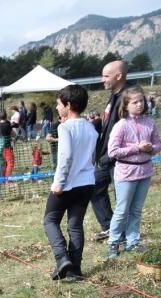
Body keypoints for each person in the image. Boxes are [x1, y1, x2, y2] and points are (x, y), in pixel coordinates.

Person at [42, 84, 97, 282]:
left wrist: (58, 183)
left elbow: (65, 157)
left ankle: (62, 257)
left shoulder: (64, 127)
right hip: (87, 183)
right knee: (75, 225)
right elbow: (91, 156)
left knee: (50, 220)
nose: (57, 108)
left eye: (58, 104)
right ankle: (75, 269)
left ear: (68, 104)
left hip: (67, 184)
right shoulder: (91, 127)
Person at [105, 85, 161, 259]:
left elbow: (159, 144)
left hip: (145, 171)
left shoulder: (150, 122)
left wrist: (151, 148)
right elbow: (113, 151)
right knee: (122, 210)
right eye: (135, 102)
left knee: (136, 209)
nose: (139, 104)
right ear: (126, 105)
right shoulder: (120, 125)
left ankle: (133, 241)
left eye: (141, 101)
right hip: (125, 173)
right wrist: (136, 148)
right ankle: (113, 243)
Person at [91, 60, 135, 242]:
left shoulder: (130, 97)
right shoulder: (113, 96)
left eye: (106, 76)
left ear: (119, 76)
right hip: (105, 156)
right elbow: (111, 126)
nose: (103, 80)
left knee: (122, 198)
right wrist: (96, 123)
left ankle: (127, 235)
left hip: (121, 157)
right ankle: (109, 226)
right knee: (94, 187)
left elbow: (131, 129)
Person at [0, 112, 15, 178]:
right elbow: (13, 134)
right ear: (6, 116)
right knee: (10, 163)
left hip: (0, 148)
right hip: (7, 147)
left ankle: (3, 179)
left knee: (4, 164)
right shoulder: (8, 125)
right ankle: (8, 180)